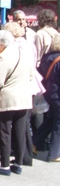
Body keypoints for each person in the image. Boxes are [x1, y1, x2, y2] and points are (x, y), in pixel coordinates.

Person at [0, 30, 34, 176]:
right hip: (24, 97)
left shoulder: (3, 57)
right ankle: (18, 163)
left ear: (2, 44)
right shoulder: (25, 54)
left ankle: (4, 165)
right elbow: (31, 75)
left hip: (7, 99)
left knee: (5, 132)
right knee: (20, 132)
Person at [3, 21, 43, 166]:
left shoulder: (18, 46)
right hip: (28, 86)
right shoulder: (28, 45)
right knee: (23, 123)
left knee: (22, 124)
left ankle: (24, 155)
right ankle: (24, 155)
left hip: (20, 86)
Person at [33, 33, 60, 162]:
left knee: (51, 119)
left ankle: (34, 142)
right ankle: (54, 153)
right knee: (58, 123)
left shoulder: (47, 57)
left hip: (49, 93)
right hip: (58, 93)